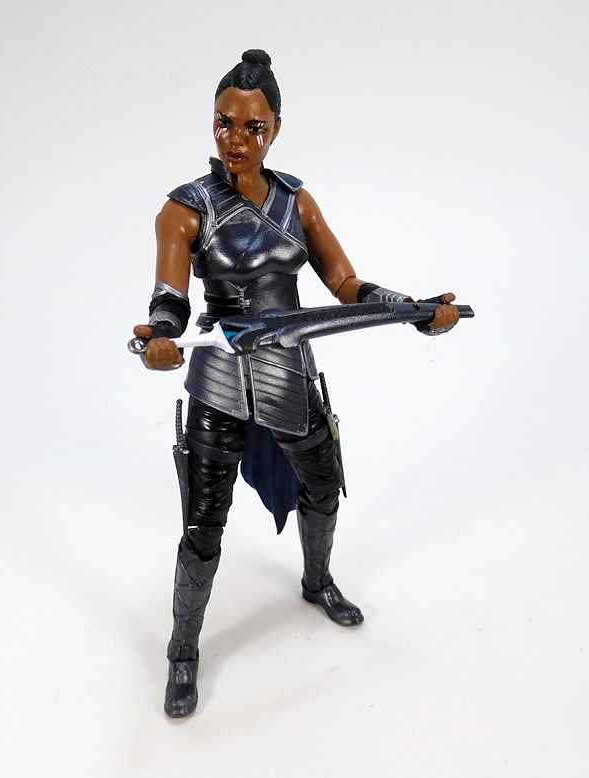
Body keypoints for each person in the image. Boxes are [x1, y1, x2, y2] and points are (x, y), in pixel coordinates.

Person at [133, 49, 459, 718]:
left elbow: (345, 283)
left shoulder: (295, 201)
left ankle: (316, 581)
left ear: (275, 129)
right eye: (224, 123)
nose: (235, 139)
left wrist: (412, 309)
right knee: (203, 524)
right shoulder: (185, 208)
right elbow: (169, 300)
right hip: (220, 381)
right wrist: (159, 337)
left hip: (289, 372)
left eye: (252, 127)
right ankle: (182, 650)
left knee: (323, 485)